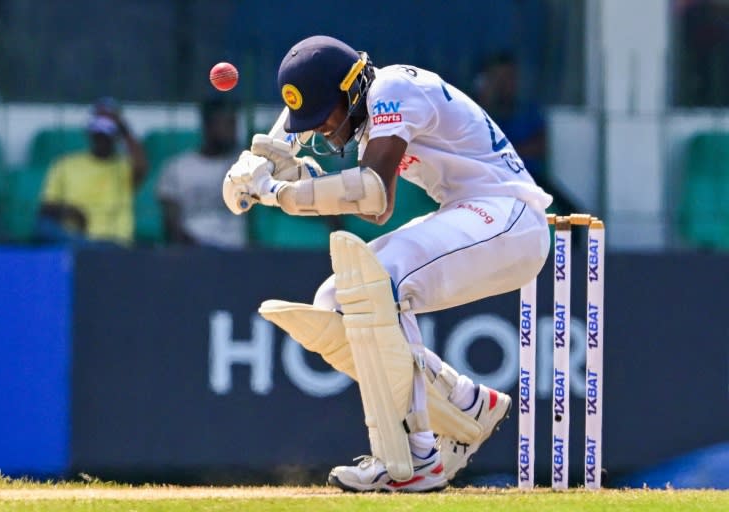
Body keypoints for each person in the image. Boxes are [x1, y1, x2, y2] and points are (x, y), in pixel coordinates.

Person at [222, 35, 553, 492]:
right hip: (470, 214)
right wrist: (287, 172)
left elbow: (373, 191)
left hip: (510, 217)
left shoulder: (392, 90)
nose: (321, 131)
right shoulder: (370, 113)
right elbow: (375, 209)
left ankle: (414, 458)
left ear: (351, 88)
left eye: (324, 117)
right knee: (337, 298)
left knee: (380, 277)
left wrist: (277, 192)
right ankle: (466, 401)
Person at [474, 51, 579, 215]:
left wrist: (506, 153)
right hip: (491, 182)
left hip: (529, 177)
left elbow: (540, 145)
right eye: (499, 78)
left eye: (509, 78)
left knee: (571, 215)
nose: (505, 84)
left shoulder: (526, 111)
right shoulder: (476, 112)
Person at [38, 98, 148, 245]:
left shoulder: (125, 167)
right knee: (43, 227)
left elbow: (142, 167)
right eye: (97, 131)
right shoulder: (65, 164)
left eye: (107, 132)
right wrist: (70, 211)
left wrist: (123, 129)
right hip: (73, 238)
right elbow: (46, 207)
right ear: (89, 133)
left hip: (112, 240)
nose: (102, 137)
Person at [157, 96, 246, 247]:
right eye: (228, 124)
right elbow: (171, 221)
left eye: (235, 124)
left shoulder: (245, 165)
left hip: (235, 252)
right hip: (193, 251)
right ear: (208, 126)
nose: (233, 131)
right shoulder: (177, 168)